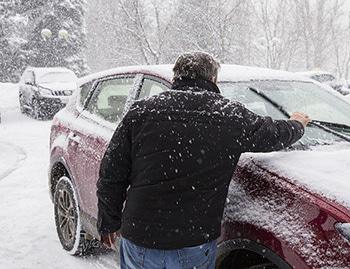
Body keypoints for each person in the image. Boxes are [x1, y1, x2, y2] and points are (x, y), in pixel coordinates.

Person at [96, 52, 311, 269]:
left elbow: (111, 174)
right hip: (193, 242)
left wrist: (108, 222)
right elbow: (273, 134)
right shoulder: (228, 114)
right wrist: (297, 124)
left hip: (140, 237)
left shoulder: (142, 111)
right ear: (213, 79)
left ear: (175, 77)